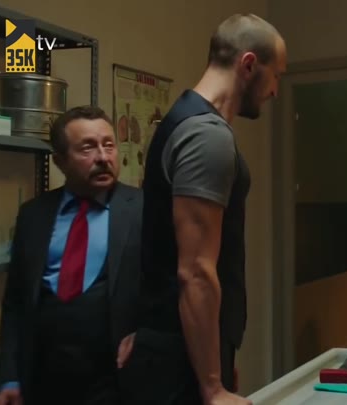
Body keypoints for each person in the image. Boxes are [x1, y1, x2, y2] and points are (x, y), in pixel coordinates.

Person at [116, 13, 286, 405]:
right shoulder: (207, 137)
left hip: (182, 352)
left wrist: (217, 356)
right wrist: (211, 385)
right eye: (276, 75)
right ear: (248, 65)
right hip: (177, 363)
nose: (276, 90)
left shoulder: (186, 120)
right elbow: (195, 271)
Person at [0, 106, 143, 405]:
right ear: (59, 161)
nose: (103, 157)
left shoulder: (145, 209)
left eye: (109, 145)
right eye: (87, 148)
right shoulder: (33, 215)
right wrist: (9, 376)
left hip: (117, 382)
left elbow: (169, 289)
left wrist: (147, 335)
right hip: (44, 383)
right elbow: (15, 303)